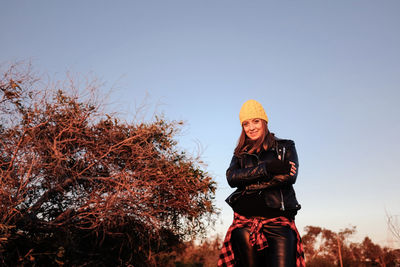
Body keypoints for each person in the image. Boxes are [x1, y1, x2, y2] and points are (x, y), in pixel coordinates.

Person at [218, 100, 305, 267]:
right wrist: (268, 168)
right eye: (246, 124)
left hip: (279, 224)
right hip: (245, 224)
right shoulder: (240, 153)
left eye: (255, 121)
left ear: (264, 121)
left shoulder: (285, 147)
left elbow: (289, 177)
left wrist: (248, 184)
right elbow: (231, 178)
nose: (251, 127)